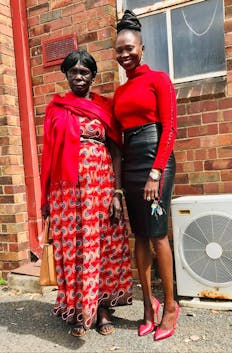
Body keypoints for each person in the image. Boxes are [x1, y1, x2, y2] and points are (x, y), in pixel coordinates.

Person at [40, 48, 132, 337]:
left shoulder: (104, 106)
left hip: (101, 187)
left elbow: (116, 150)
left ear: (93, 76)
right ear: (66, 75)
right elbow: (48, 155)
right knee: (76, 248)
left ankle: (102, 308)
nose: (78, 76)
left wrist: (117, 191)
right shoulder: (56, 108)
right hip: (67, 192)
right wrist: (46, 198)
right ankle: (80, 309)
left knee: (102, 246)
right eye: (73, 71)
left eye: (84, 72)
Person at [113, 10, 179, 341]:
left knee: (157, 234)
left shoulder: (159, 80)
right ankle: (147, 308)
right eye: (119, 50)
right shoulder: (120, 93)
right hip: (131, 163)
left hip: (158, 160)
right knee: (139, 235)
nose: (125, 54)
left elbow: (170, 128)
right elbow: (119, 138)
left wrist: (156, 171)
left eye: (130, 48)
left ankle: (170, 305)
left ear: (142, 47)